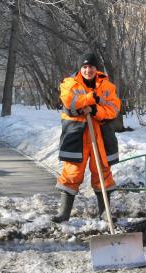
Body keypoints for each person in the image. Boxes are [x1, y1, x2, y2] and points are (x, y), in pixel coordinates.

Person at [52, 52, 121, 223]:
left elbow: (113, 109)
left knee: (103, 171)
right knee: (71, 172)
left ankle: (105, 212)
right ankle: (64, 213)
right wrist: (91, 99)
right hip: (76, 134)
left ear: (96, 68)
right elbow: (70, 101)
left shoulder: (107, 87)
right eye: (84, 67)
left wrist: (95, 110)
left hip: (100, 135)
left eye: (90, 66)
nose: (87, 70)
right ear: (79, 68)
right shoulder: (70, 84)